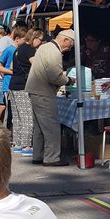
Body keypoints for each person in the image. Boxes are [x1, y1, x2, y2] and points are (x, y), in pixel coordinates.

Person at [25, 29, 75, 166]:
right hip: (44, 92)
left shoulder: (44, 47)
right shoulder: (54, 52)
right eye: (70, 45)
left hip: (35, 90)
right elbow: (55, 76)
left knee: (40, 127)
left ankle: (38, 155)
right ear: (65, 40)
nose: (70, 48)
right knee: (51, 126)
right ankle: (52, 157)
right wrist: (69, 80)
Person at [6, 28, 42, 156]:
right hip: (23, 85)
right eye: (40, 40)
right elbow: (37, 65)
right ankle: (26, 146)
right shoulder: (29, 50)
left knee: (17, 117)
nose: (41, 43)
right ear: (35, 38)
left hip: (13, 84)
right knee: (27, 116)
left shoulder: (18, 49)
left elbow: (11, 67)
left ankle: (17, 143)